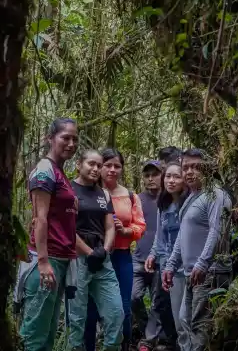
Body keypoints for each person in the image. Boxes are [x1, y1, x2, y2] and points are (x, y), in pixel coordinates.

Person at [15, 118, 80, 351]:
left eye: (75, 139)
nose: (71, 143)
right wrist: (42, 262)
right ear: (50, 138)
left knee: (48, 334)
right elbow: (40, 218)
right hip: (46, 260)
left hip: (60, 260)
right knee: (33, 335)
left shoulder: (60, 173)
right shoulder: (45, 169)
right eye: (65, 137)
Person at [161, 149, 231, 351]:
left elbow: (217, 231)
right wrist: (171, 265)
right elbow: (182, 236)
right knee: (185, 321)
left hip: (211, 272)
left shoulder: (216, 194)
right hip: (193, 273)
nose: (190, 172)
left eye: (196, 167)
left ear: (208, 168)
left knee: (201, 327)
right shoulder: (191, 199)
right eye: (186, 167)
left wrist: (203, 262)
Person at [84, 148, 146, 351]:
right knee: (90, 309)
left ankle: (123, 346)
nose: (112, 169)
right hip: (92, 255)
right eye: (107, 165)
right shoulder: (88, 192)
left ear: (122, 169)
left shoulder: (130, 195)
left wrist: (126, 231)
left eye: (116, 166)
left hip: (121, 255)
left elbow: (140, 226)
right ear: (100, 167)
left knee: (124, 307)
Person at [68, 150, 125, 351]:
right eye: (91, 164)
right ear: (79, 164)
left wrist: (104, 251)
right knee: (77, 318)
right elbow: (66, 229)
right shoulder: (68, 190)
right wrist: (88, 252)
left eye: (99, 165)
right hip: (77, 259)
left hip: (102, 259)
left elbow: (109, 226)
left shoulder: (104, 194)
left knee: (116, 312)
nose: (95, 169)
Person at [143, 161, 189, 351]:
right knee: (163, 306)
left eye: (176, 176)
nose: (171, 181)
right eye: (168, 176)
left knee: (183, 312)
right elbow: (160, 235)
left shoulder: (189, 203)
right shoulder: (164, 203)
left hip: (183, 265)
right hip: (165, 264)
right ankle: (173, 342)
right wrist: (153, 254)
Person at [131, 160, 165, 349]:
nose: (151, 179)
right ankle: (146, 330)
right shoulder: (136, 199)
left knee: (157, 302)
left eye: (155, 174)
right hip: (138, 258)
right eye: (147, 175)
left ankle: (150, 340)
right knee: (133, 298)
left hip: (160, 260)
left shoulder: (169, 199)